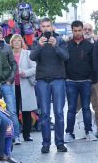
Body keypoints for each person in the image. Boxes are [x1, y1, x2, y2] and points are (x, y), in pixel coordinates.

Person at [30, 18, 69, 153]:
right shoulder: (37, 40)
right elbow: (32, 57)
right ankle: (46, 143)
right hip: (42, 80)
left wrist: (56, 46)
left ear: (52, 27)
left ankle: (60, 143)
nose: (46, 28)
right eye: (43, 26)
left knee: (59, 112)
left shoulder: (60, 40)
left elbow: (66, 57)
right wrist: (40, 46)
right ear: (40, 28)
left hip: (58, 79)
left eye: (48, 26)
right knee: (45, 113)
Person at [63, 20, 96, 141]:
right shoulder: (66, 45)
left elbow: (94, 63)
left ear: (82, 30)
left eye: (79, 30)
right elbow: (64, 63)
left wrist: (91, 78)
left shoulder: (89, 46)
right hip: (70, 81)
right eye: (75, 31)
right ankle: (69, 133)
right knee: (71, 108)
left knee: (86, 107)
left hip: (86, 81)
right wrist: (66, 77)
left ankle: (89, 132)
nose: (77, 33)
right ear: (72, 31)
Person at [11, 34, 37, 143]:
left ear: (22, 42)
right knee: (14, 111)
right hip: (12, 86)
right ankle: (15, 135)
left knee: (26, 111)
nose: (17, 42)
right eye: (15, 41)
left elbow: (35, 68)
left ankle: (27, 134)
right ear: (11, 43)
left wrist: (24, 73)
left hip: (25, 84)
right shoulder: (9, 54)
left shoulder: (27, 54)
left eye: (19, 40)